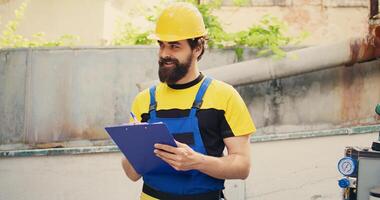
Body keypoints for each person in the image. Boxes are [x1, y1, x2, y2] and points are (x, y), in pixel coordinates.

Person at [121, 2, 256, 200]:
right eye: (161, 45)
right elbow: (132, 174)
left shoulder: (224, 96)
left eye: (175, 46)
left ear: (198, 48)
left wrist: (197, 162)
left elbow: (242, 167)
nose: (165, 54)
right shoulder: (144, 101)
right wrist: (134, 149)